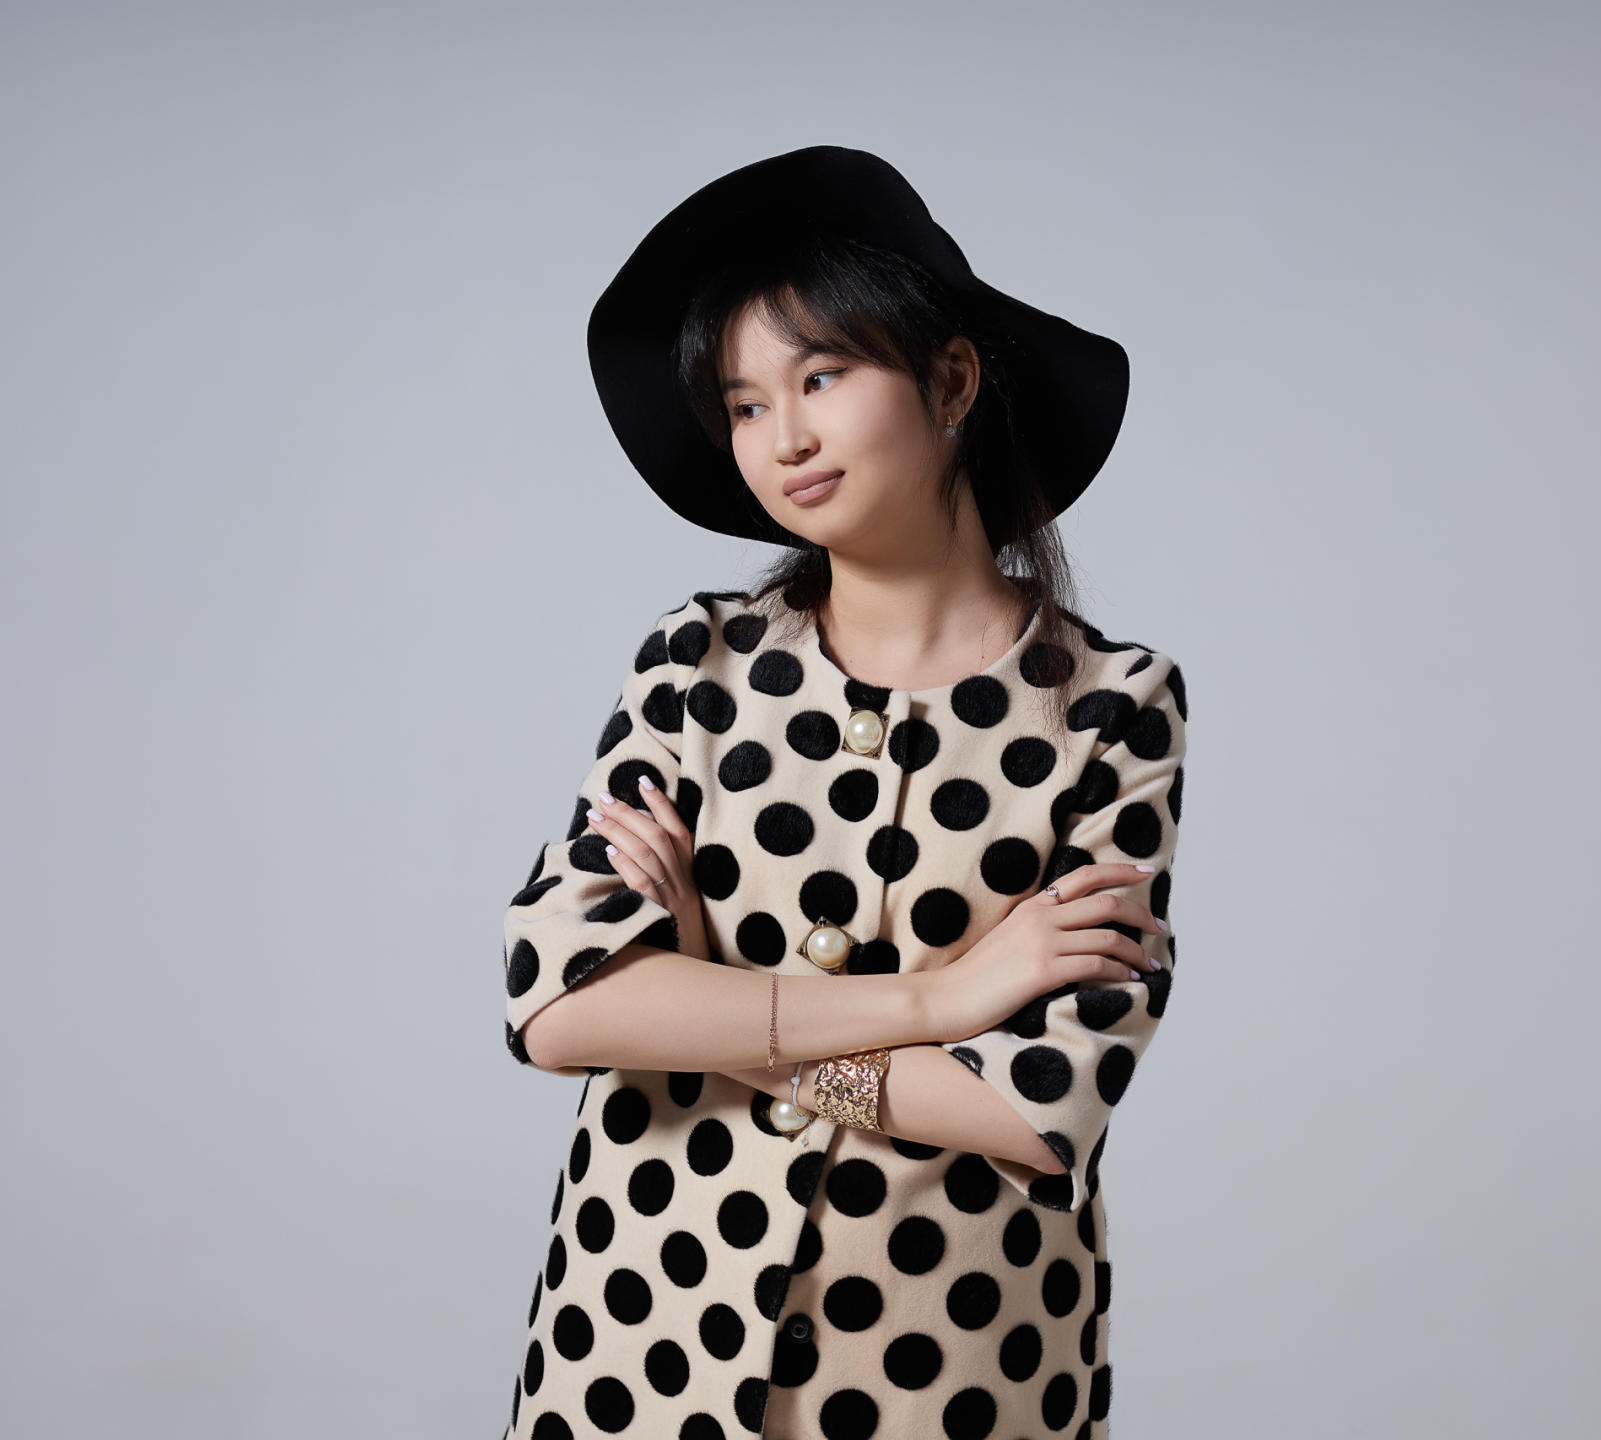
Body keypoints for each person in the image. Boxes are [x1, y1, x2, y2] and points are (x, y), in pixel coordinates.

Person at [499, 146, 1189, 1440]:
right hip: (645, 1339)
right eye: (745, 404)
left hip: (954, 1363)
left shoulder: (1113, 706)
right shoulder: (695, 664)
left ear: (952, 381)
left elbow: (1038, 1106)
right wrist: (941, 1002)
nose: (786, 439)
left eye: (820, 377)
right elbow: (561, 1000)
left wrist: (705, 1007)